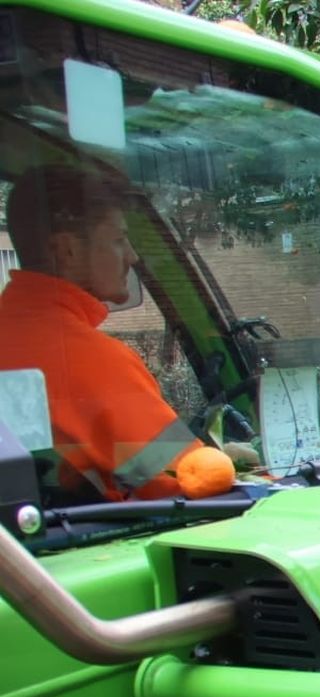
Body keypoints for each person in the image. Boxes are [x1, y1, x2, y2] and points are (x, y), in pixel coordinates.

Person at [0, 164, 207, 500]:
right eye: (119, 239)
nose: (133, 255)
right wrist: (237, 465)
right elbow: (185, 480)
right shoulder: (86, 357)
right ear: (66, 250)